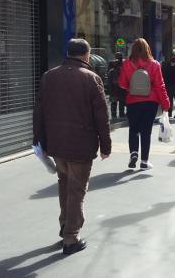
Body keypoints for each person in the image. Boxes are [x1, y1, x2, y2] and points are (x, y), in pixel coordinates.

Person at [33, 38, 111, 256]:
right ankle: (71, 238)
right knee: (76, 189)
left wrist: (39, 140)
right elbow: (101, 116)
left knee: (64, 184)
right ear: (86, 56)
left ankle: (64, 226)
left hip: (57, 144)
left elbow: (38, 110)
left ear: (68, 53)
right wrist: (106, 145)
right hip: (81, 145)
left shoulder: (49, 76)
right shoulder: (91, 78)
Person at [119, 38, 171, 169]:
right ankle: (144, 161)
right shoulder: (155, 65)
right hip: (150, 102)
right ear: (148, 49)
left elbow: (122, 83)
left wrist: (132, 86)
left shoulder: (126, 64)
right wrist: (166, 103)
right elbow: (160, 86)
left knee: (133, 129)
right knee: (146, 132)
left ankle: (133, 153)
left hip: (132, 101)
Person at [161, 54, 175, 118]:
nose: (174, 58)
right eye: (173, 57)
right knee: (169, 100)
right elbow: (163, 74)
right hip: (169, 85)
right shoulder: (166, 65)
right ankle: (169, 113)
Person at [107, 52, 126, 119]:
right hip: (120, 88)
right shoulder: (123, 65)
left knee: (116, 102)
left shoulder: (112, 66)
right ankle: (120, 114)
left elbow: (109, 79)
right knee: (120, 101)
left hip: (115, 88)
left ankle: (114, 115)